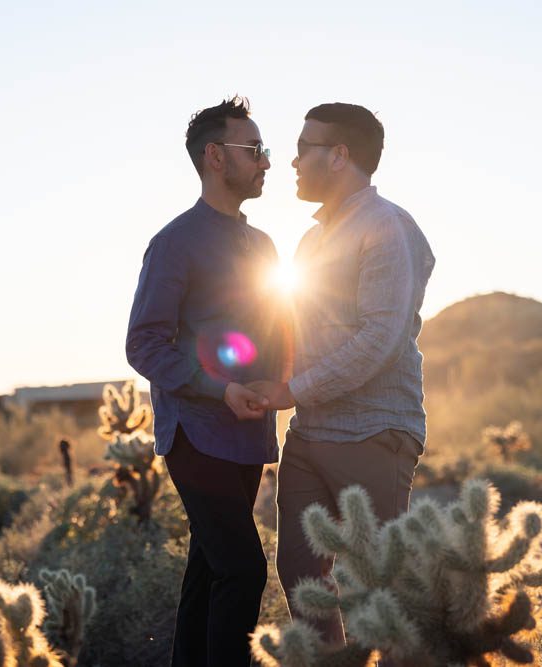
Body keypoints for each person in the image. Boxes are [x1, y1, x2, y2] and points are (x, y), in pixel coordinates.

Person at [249, 103, 435, 648]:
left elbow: (381, 338)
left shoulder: (387, 227)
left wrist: (293, 390)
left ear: (339, 156)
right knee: (302, 579)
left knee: (383, 587)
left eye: (303, 148)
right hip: (309, 432)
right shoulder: (311, 242)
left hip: (374, 429)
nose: (292, 161)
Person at [125, 96, 287, 666]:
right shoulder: (174, 243)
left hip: (247, 434)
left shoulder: (263, 246)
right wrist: (219, 389)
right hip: (196, 433)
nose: (266, 161)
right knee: (243, 570)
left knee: (209, 573)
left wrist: (282, 382)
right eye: (255, 149)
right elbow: (144, 343)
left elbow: (272, 332)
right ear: (215, 157)